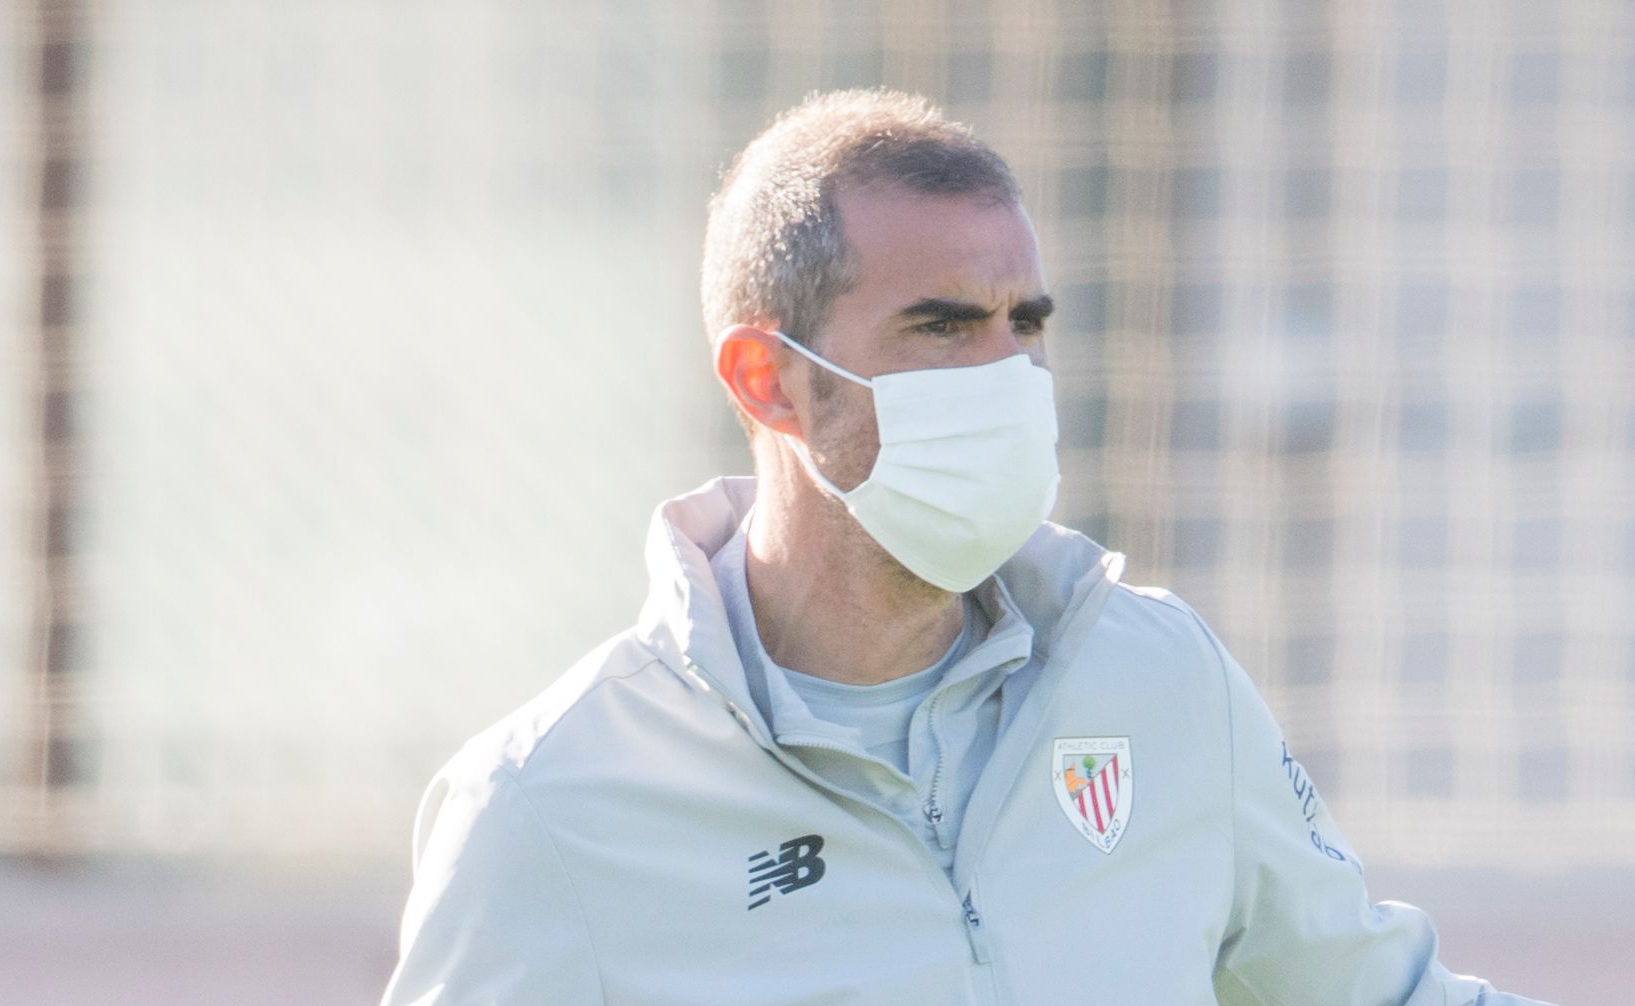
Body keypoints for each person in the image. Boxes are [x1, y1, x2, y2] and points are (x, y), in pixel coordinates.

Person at [380, 89, 1553, 1005]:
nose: (1004, 374)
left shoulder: (1161, 677)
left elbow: (1366, 995)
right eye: (941, 327)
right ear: (768, 378)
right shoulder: (546, 805)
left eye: (1023, 325)